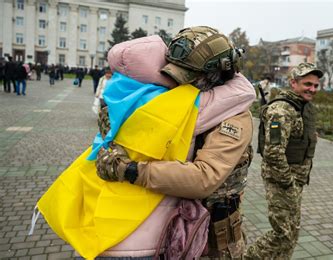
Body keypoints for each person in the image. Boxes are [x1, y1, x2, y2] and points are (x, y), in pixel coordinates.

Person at [94, 26, 254, 259]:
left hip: (213, 237)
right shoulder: (192, 98)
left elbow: (204, 177)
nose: (181, 84)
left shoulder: (234, 115)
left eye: (191, 77)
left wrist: (128, 170)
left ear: (217, 74)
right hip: (174, 223)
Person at [244, 62, 323, 259]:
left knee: (292, 232)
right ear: (293, 83)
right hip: (282, 181)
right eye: (307, 84)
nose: (312, 89)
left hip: (296, 181)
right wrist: (288, 183)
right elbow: (273, 152)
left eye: (315, 85)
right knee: (283, 234)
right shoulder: (281, 110)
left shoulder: (303, 107)